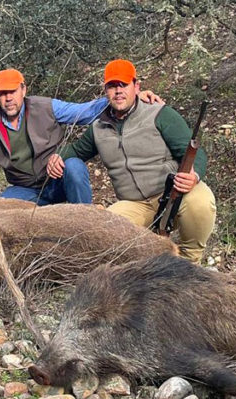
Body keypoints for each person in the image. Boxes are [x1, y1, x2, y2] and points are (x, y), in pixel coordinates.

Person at [51, 59, 216, 263]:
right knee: (103, 234)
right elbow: (76, 150)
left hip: (173, 191)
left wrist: (194, 175)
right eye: (112, 86)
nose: (118, 91)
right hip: (134, 203)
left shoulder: (160, 113)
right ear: (106, 91)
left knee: (201, 203)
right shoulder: (98, 127)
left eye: (123, 85)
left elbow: (192, 151)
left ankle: (191, 262)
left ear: (136, 87)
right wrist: (58, 156)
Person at [0, 68, 163, 205]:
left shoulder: (47, 107)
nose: (8, 98)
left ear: (23, 89)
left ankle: (86, 222)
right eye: (2, 93)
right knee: (2, 206)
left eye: (12, 91)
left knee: (74, 166)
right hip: (26, 191)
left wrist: (129, 99)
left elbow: (85, 112)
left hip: (56, 181)